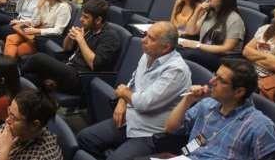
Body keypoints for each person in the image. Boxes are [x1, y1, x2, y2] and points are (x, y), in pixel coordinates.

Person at [77, 22, 191, 160]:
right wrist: (122, 101)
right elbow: (133, 83)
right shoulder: (148, 54)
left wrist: (124, 94)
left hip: (150, 132)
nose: (143, 40)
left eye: (151, 38)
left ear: (166, 47)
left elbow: (144, 103)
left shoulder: (176, 71)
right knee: (85, 138)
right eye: (145, 35)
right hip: (130, 119)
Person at [165, 58, 275, 160]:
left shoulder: (260, 128)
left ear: (239, 92)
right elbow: (171, 128)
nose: (212, 81)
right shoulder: (207, 105)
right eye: (215, 75)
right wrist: (188, 100)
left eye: (221, 80)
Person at [22, 0, 121, 94]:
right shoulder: (89, 28)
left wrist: (81, 40)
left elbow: (95, 64)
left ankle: (13, 77)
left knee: (38, 58)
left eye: (86, 17)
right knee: (32, 76)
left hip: (81, 78)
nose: (81, 19)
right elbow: (67, 48)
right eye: (82, 16)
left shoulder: (110, 36)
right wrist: (69, 38)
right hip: (68, 67)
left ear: (98, 20)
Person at [179, 0, 245, 72]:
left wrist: (198, 45)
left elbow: (226, 48)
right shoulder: (210, 13)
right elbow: (190, 31)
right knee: (176, 47)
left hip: (222, 58)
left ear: (224, 0)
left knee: (187, 54)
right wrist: (198, 10)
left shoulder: (235, 20)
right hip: (204, 50)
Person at [3, 0, 71, 59]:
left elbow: (58, 30)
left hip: (47, 38)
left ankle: (7, 66)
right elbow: (35, 22)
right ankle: (6, 65)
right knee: (10, 38)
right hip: (36, 32)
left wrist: (38, 31)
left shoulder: (63, 7)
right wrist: (38, 8)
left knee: (19, 49)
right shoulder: (46, 2)